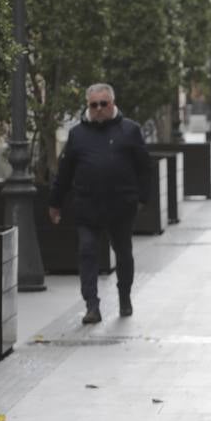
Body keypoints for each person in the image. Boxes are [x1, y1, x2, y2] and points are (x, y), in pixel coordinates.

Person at [49, 83, 151, 324]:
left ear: (112, 104)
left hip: (121, 207)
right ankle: (91, 305)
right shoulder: (77, 135)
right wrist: (55, 203)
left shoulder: (130, 131)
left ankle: (124, 296)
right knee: (87, 252)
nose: (98, 109)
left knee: (123, 253)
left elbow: (145, 168)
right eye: (93, 105)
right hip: (87, 206)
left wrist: (142, 198)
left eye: (103, 104)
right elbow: (64, 172)